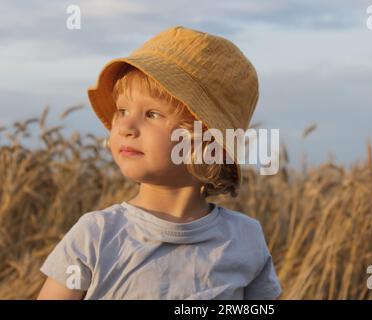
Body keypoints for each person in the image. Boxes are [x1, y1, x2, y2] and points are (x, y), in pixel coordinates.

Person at [37, 25, 282, 300]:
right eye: (122, 111)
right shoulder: (96, 235)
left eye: (152, 114)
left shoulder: (244, 238)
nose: (126, 126)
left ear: (207, 142)